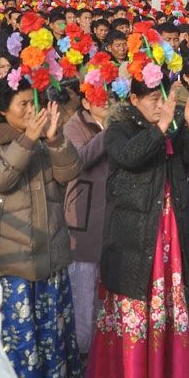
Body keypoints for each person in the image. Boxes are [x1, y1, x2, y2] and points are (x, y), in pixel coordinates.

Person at [86, 77, 189, 378]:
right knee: (137, 303)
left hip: (169, 228)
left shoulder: (169, 126)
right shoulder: (119, 127)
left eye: (162, 97)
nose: (159, 104)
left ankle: (161, 376)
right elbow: (129, 156)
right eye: (153, 98)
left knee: (166, 304)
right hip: (136, 233)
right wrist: (159, 129)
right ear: (135, 99)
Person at [0, 81, 83, 378]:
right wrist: (29, 139)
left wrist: (56, 139)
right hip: (12, 265)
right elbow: (0, 179)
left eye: (35, 103)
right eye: (24, 105)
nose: (33, 111)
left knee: (52, 340)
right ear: (3, 109)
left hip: (49, 257)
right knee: (20, 345)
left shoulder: (44, 139)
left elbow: (69, 172)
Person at [63, 83, 110, 353]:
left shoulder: (117, 123)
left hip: (110, 209)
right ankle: (81, 347)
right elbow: (80, 159)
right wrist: (109, 132)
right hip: (84, 209)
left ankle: (103, 346)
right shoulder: (73, 126)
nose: (105, 101)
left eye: (107, 95)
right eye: (97, 97)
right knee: (82, 282)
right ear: (85, 103)